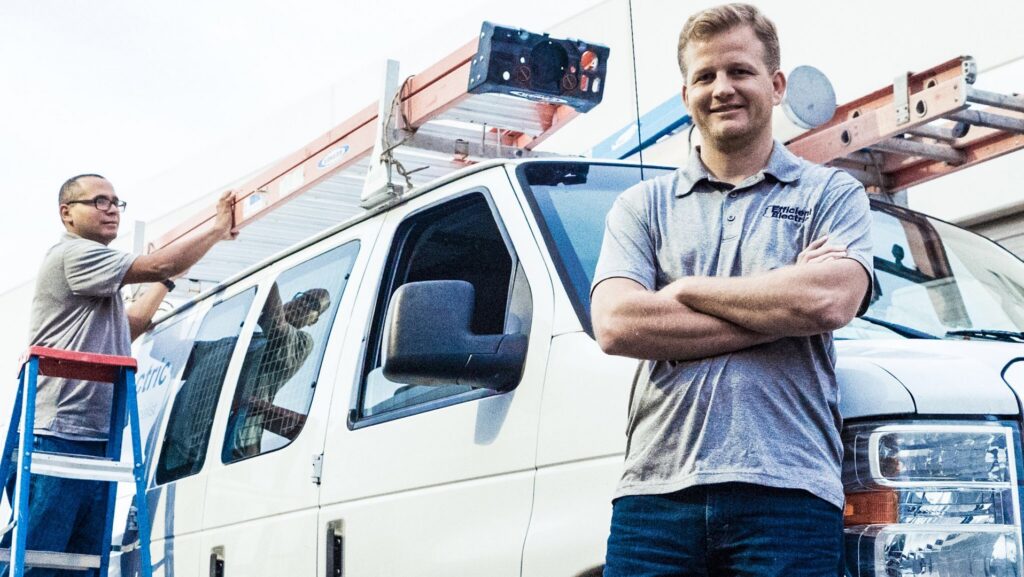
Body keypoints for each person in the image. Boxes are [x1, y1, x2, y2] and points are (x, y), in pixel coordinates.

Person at [590, 4, 872, 576]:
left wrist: (684, 289)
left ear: (775, 84)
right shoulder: (640, 207)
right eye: (705, 76)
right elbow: (618, 325)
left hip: (789, 494)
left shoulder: (831, 194)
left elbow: (828, 301)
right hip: (655, 499)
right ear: (687, 92)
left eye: (739, 71)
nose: (722, 88)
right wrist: (780, 306)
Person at [2, 174, 238, 576]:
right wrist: (216, 229)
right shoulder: (74, 255)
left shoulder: (99, 282)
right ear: (67, 214)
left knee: (81, 564)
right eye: (99, 201)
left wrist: (163, 280)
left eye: (115, 202)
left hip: (95, 436)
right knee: (39, 559)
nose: (111, 209)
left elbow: (131, 324)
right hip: (59, 433)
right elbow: (159, 262)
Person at [227, 284, 331, 459]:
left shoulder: (302, 342)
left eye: (313, 305)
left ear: (313, 321)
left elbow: (277, 326)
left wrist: (267, 280)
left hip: (239, 440)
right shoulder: (244, 339)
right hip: (197, 441)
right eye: (304, 297)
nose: (304, 304)